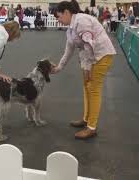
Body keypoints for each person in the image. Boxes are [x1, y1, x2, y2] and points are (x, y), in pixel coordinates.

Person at [51, 0, 116, 139]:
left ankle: (91, 128)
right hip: (90, 58)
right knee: (87, 87)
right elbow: (68, 50)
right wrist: (59, 67)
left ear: (67, 12)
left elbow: (90, 46)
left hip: (101, 55)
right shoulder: (70, 29)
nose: (58, 20)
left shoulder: (81, 22)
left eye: (59, 16)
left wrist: (87, 69)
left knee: (93, 89)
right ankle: (86, 119)